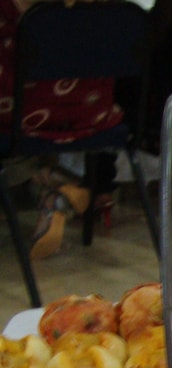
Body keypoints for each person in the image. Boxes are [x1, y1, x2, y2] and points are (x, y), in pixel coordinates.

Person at [0, 0, 123, 258]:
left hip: (21, 117)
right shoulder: (111, 7)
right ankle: (51, 189)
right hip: (92, 115)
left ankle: (48, 177)